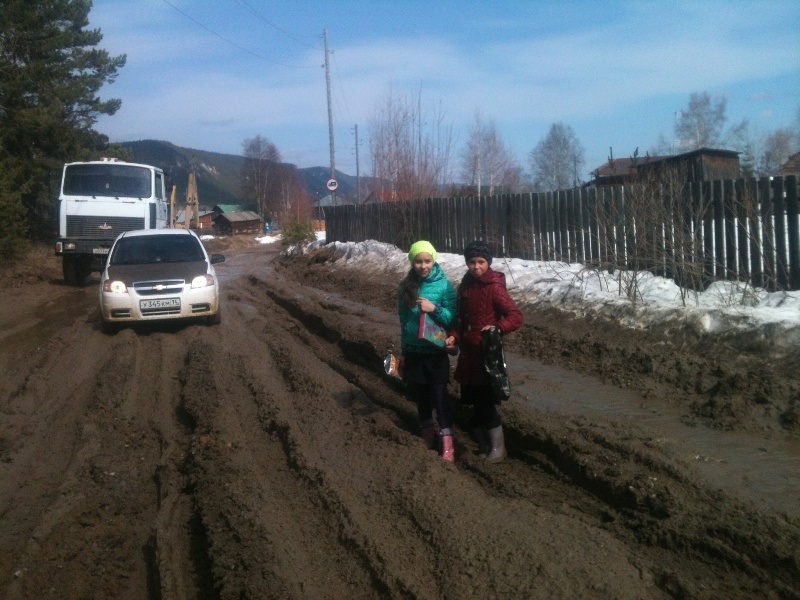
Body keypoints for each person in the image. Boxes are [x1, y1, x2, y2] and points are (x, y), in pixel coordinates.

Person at [445, 240, 523, 463]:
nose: (476, 267)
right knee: (472, 403)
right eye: (472, 262)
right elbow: (461, 318)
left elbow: (515, 316)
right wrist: (454, 335)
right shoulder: (466, 285)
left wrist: (498, 328)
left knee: (486, 403)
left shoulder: (494, 287)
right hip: (468, 354)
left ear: (488, 262)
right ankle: (482, 445)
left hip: (485, 356)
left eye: (481, 262)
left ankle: (498, 448)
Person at [398, 241, 458, 461]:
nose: (423, 266)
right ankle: (427, 435)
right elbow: (404, 322)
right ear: (412, 262)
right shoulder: (405, 286)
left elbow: (453, 318)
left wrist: (435, 309)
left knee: (440, 396)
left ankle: (447, 443)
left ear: (434, 261)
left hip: (435, 352)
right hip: (414, 352)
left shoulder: (444, 286)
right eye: (418, 261)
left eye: (427, 261)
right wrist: (404, 351)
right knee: (422, 396)